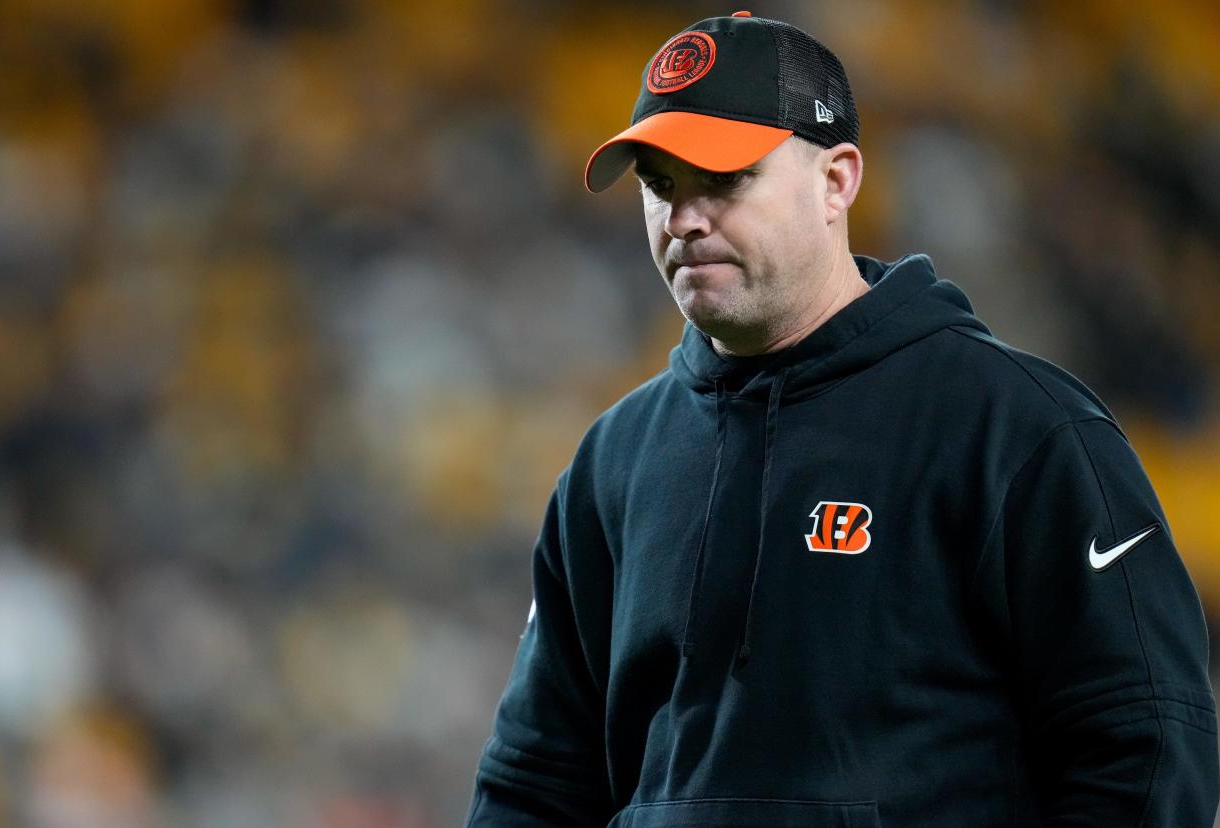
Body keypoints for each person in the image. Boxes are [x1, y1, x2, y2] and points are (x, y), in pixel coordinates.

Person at [464, 12, 1219, 827]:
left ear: (837, 180)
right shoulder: (612, 464)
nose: (683, 219)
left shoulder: (1016, 431)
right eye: (661, 184)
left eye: (723, 179)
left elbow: (1144, 754)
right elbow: (532, 786)